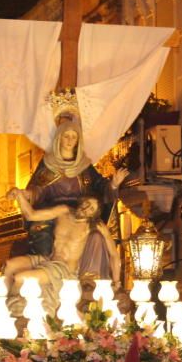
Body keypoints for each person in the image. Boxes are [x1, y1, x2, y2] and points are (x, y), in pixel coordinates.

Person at [21, 107, 127, 264]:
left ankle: (90, 277)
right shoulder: (48, 163)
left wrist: (113, 184)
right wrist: (28, 194)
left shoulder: (83, 165)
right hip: (52, 212)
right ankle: (44, 272)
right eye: (66, 136)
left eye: (74, 137)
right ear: (59, 138)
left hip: (80, 212)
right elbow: (37, 188)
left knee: (96, 236)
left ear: (78, 141)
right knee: (41, 231)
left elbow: (99, 186)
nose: (70, 141)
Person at [4, 193, 120, 313]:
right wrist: (18, 194)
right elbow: (31, 215)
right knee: (10, 265)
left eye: (91, 209)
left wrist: (117, 282)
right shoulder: (64, 211)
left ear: (94, 215)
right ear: (82, 201)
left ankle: (12, 309)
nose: (86, 209)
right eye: (87, 203)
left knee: (20, 278)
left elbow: (114, 254)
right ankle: (1, 302)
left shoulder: (94, 226)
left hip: (64, 270)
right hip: (48, 260)